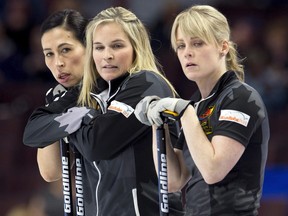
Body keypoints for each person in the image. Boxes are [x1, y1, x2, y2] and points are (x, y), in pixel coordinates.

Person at [23, 6, 184, 216]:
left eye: (117, 46)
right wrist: (79, 115)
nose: (107, 55)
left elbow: (97, 145)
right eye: (99, 47)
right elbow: (32, 132)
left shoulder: (146, 84)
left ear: (136, 47)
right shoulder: (90, 92)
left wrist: (77, 116)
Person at [135, 5, 270, 215]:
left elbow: (213, 171)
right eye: (180, 46)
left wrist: (185, 114)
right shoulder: (196, 104)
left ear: (223, 47)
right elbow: (173, 180)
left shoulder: (241, 98)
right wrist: (156, 124)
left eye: (197, 43)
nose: (187, 52)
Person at [27, 9, 97, 215]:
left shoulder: (115, 90)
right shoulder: (57, 97)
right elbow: (51, 172)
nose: (57, 63)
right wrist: (54, 109)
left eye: (65, 50)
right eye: (49, 54)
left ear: (89, 47)